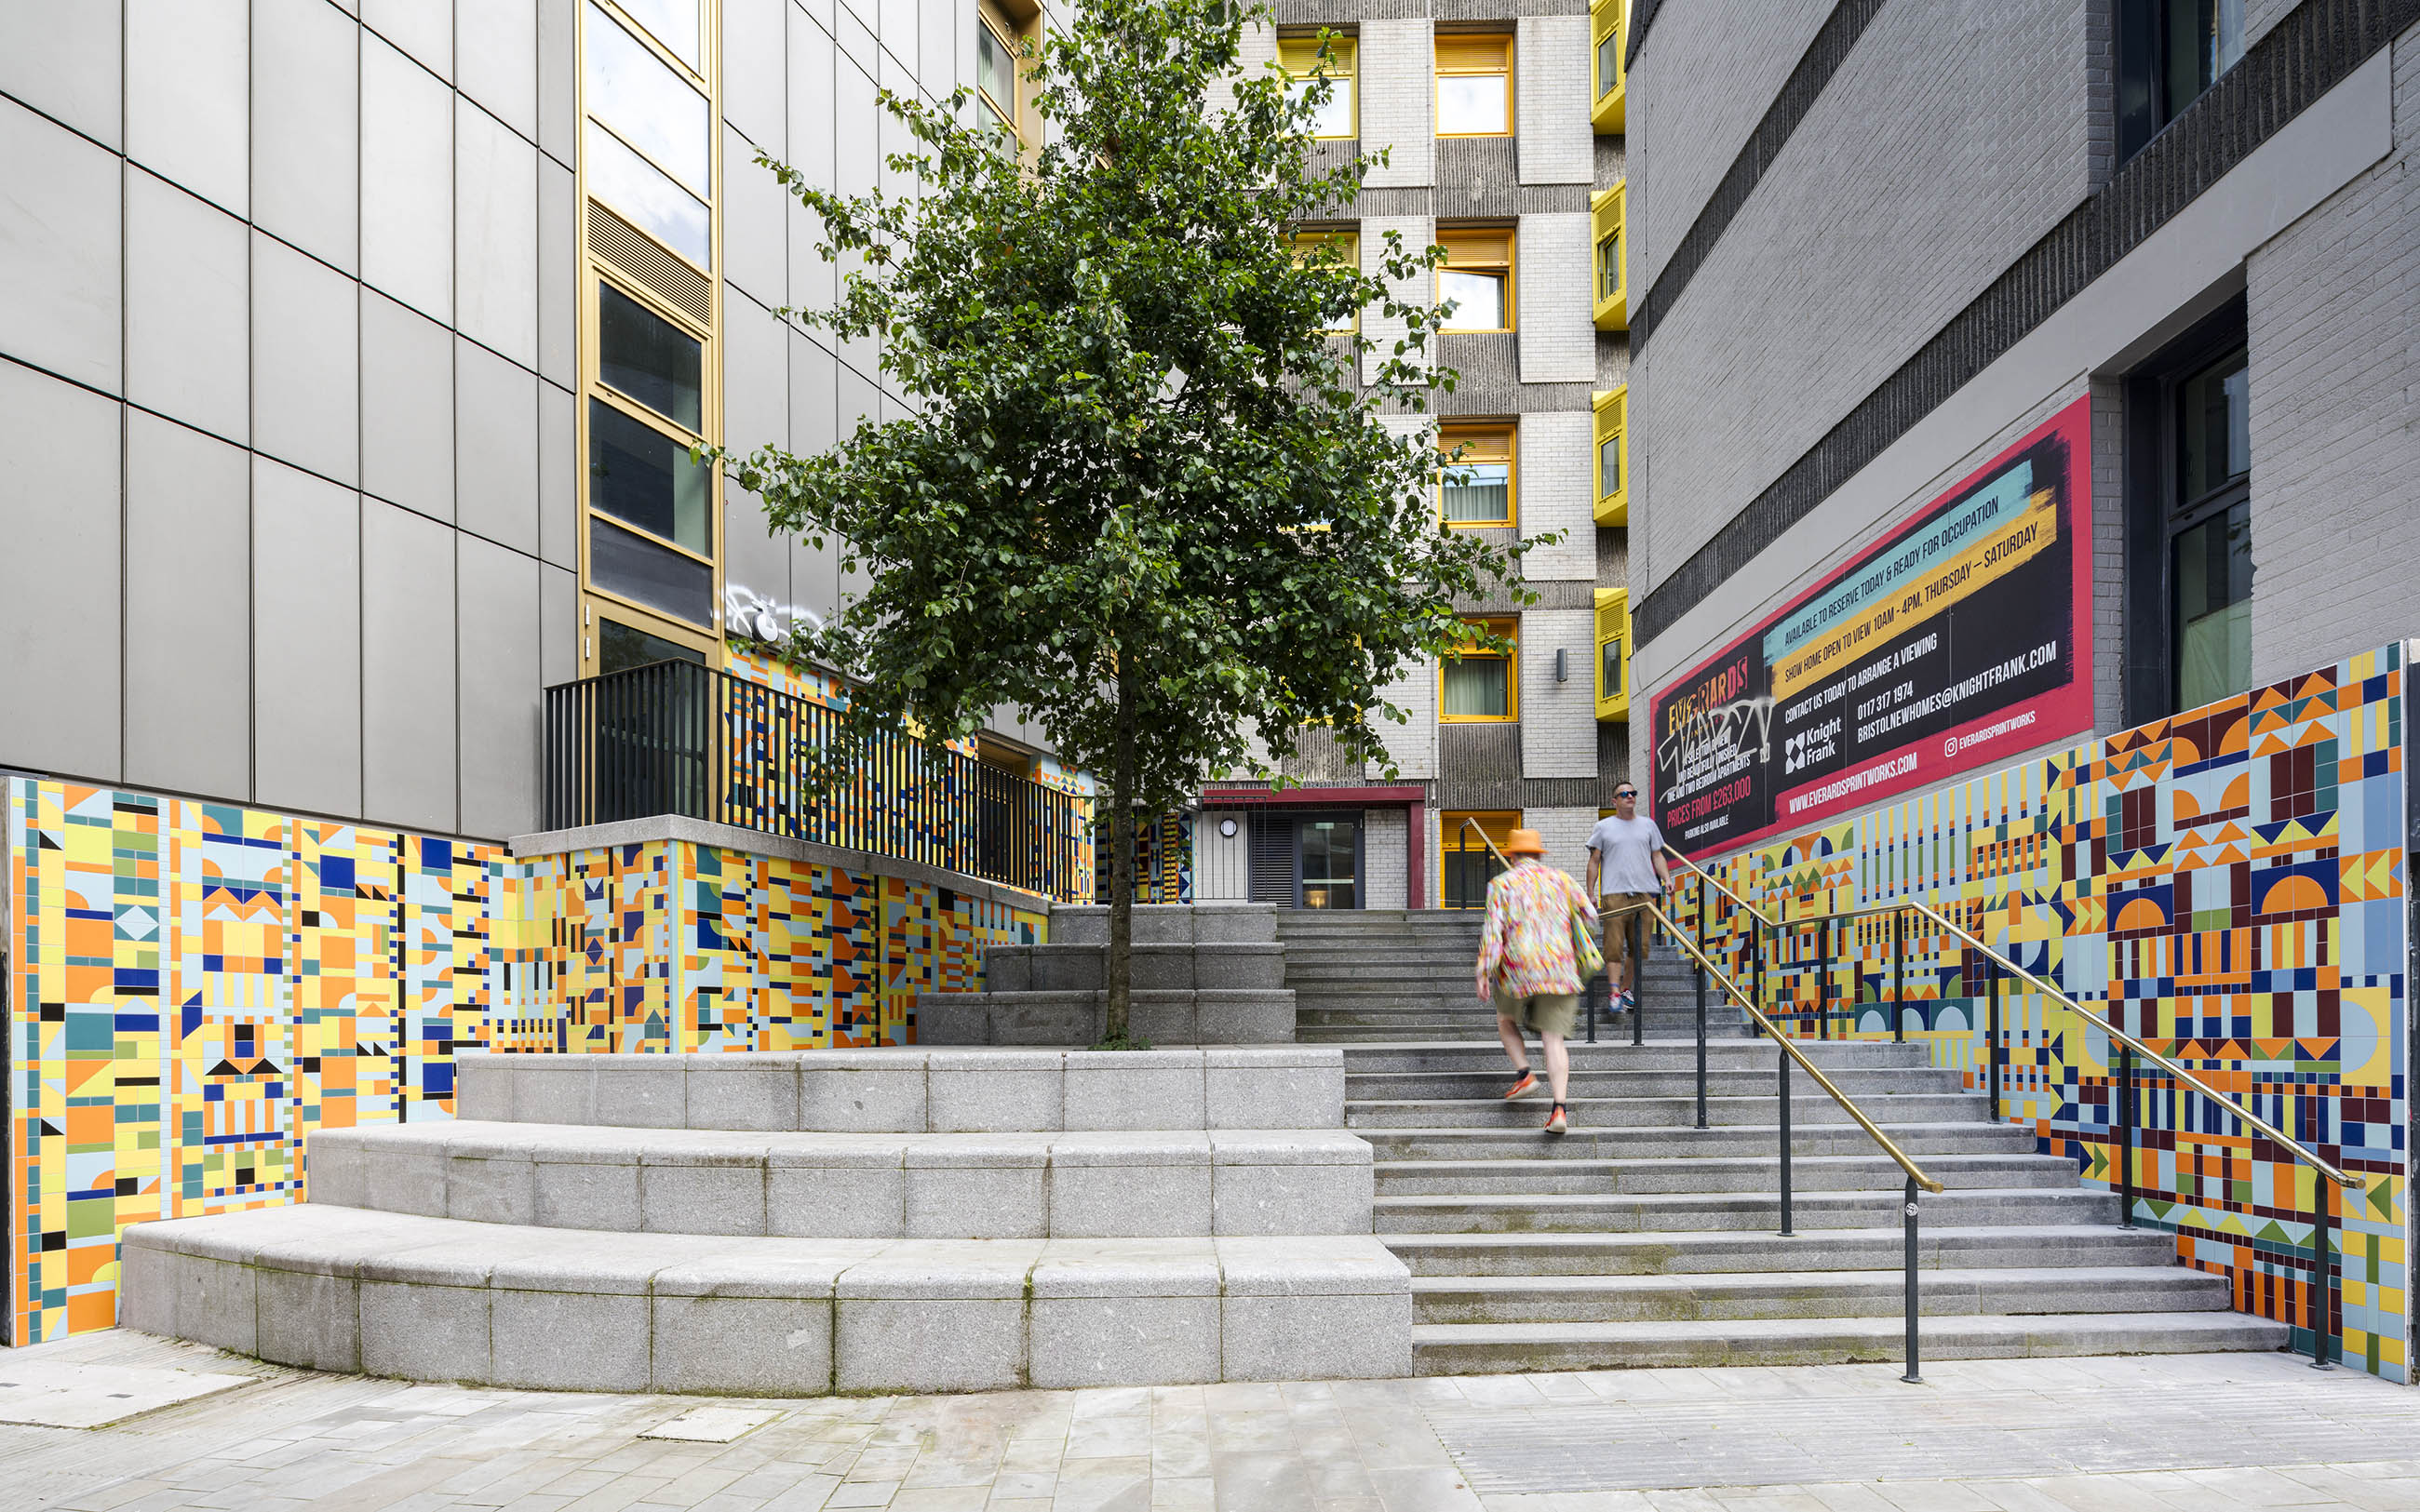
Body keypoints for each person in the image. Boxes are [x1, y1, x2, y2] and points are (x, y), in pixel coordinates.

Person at [1475, 828, 1598, 1135]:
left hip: (1518, 968)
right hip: (1560, 968)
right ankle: (1559, 1109)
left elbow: (1493, 932)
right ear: (1540, 854)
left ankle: (1525, 1074)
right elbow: (1591, 915)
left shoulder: (1500, 885)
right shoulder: (1562, 880)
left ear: (1511, 855)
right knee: (1553, 1039)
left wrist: (1483, 971)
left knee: (1505, 1020)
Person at [1585, 783, 1671, 1024]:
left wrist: (1667, 878)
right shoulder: (1603, 827)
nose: (1630, 797)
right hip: (1614, 892)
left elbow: (1657, 855)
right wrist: (1590, 892)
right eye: (1624, 794)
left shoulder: (1648, 825)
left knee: (1639, 947)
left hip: (1645, 893)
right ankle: (1613, 993)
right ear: (1615, 800)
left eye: (1633, 793)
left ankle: (1624, 988)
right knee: (1613, 945)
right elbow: (1594, 861)